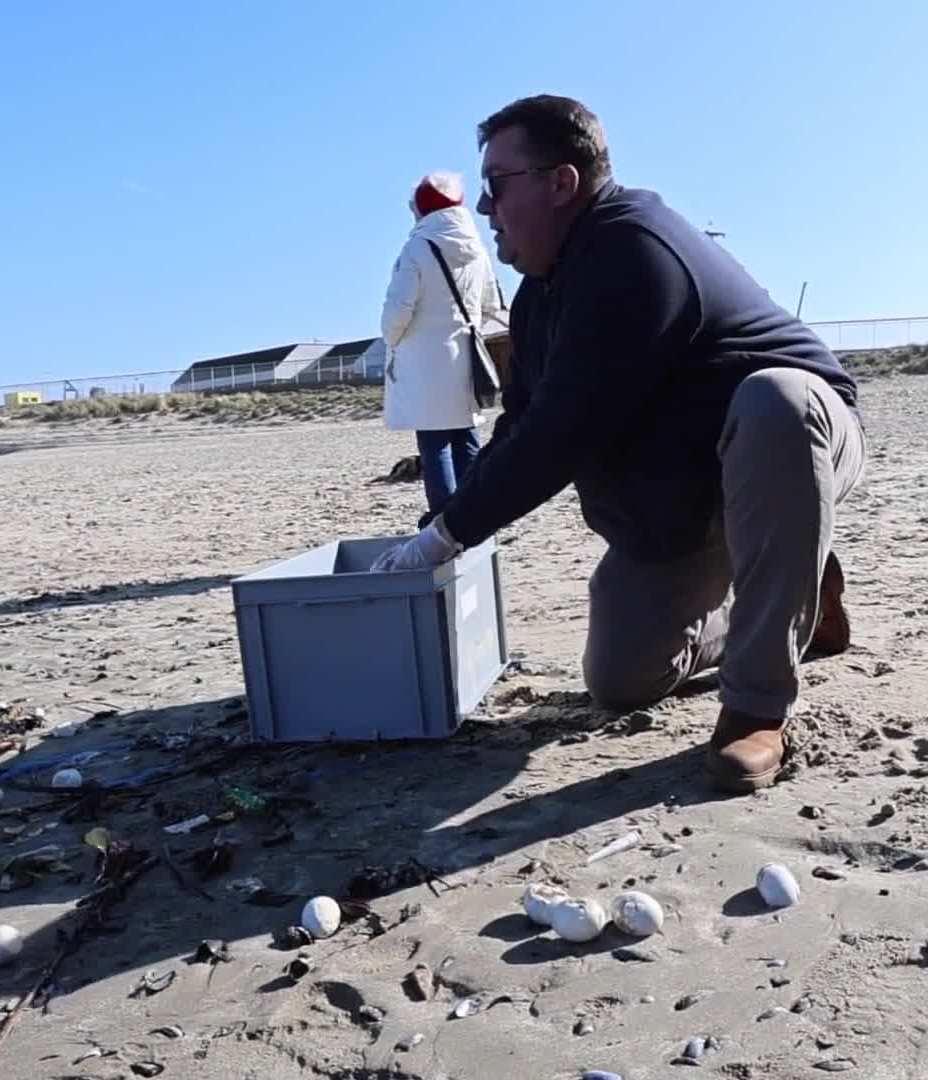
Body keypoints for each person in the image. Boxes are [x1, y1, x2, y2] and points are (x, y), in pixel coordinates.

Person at [371, 95, 867, 794]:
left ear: (560, 182)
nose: (485, 208)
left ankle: (757, 706)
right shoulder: (541, 298)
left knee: (775, 401)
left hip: (793, 448)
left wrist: (445, 538)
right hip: (693, 502)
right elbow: (522, 427)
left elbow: (563, 432)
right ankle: (797, 601)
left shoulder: (632, 246)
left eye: (497, 184)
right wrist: (439, 526)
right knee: (622, 678)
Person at [379, 171, 510, 523]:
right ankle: (475, 512)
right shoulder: (476, 248)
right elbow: (491, 305)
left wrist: (392, 339)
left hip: (425, 359)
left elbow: (398, 309)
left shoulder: (417, 247)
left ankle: (444, 516)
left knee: (434, 439)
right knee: (466, 435)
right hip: (466, 354)